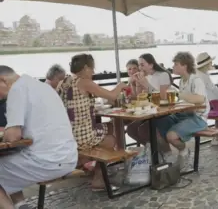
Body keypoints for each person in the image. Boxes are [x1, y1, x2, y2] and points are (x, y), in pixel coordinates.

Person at [0, 66, 77, 209]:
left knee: (6, 160)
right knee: (7, 158)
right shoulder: (42, 87)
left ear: (3, 80)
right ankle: (20, 205)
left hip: (48, 161)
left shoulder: (16, 90)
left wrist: (6, 133)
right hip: (69, 156)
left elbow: (13, 136)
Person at [57, 54, 127, 191]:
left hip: (67, 133)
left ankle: (95, 166)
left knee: (109, 127)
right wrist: (120, 86)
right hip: (82, 135)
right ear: (85, 68)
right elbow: (112, 96)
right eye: (92, 69)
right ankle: (99, 177)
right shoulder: (84, 82)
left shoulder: (63, 82)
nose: (93, 72)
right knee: (110, 140)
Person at [154, 52, 209, 168]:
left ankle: (184, 150)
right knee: (159, 123)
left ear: (184, 66)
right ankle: (165, 154)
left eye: (176, 64)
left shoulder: (196, 80)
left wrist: (179, 95)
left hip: (198, 117)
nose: (173, 66)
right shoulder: (182, 81)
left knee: (171, 136)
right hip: (183, 115)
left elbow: (200, 99)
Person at [126, 54, 173, 146]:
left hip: (164, 111)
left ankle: (166, 152)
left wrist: (146, 84)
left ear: (151, 65)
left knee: (145, 129)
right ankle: (151, 149)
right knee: (131, 129)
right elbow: (140, 97)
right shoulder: (146, 77)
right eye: (139, 65)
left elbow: (163, 98)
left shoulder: (163, 75)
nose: (140, 68)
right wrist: (137, 83)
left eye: (142, 65)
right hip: (150, 111)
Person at [195, 52, 218, 145]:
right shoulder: (203, 76)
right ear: (207, 64)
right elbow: (213, 89)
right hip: (209, 103)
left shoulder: (198, 74)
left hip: (202, 102)